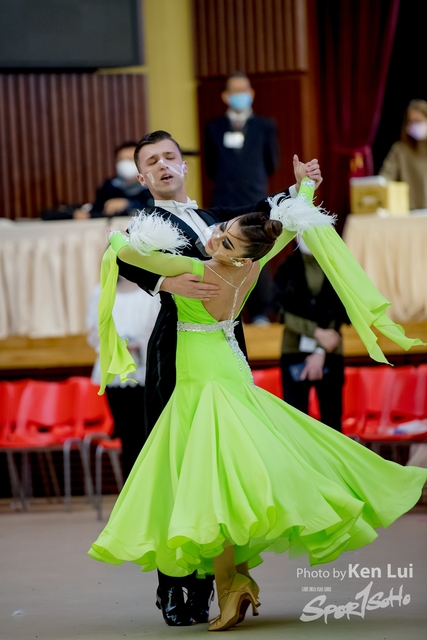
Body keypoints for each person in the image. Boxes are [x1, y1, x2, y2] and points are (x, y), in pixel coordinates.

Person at [88, 175, 427, 633]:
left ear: (240, 256)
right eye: (220, 229)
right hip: (230, 372)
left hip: (203, 382)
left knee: (214, 487)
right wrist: (303, 191)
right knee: (233, 481)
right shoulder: (253, 265)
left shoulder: (195, 271)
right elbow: (284, 229)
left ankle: (231, 585)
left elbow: (126, 252)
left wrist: (121, 238)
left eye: (225, 241)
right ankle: (237, 580)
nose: (214, 237)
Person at [104, 129, 323, 626]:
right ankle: (175, 586)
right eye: (152, 161)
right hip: (176, 353)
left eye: (170, 157)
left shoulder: (211, 218)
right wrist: (163, 280)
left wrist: (297, 188)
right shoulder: (145, 220)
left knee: (220, 466)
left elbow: (260, 218)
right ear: (142, 177)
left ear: (184, 165)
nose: (163, 165)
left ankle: (215, 581)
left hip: (224, 348)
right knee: (178, 465)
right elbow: (124, 256)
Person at [204, 71, 281, 323]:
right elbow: (210, 167)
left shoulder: (265, 125)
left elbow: (272, 162)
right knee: (224, 252)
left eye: (244, 90)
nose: (241, 95)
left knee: (257, 252)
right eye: (235, 91)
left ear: (252, 94)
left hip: (254, 198)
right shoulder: (214, 127)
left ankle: (261, 311)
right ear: (226, 96)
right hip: (224, 200)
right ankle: (226, 310)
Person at [273, 236, 350, 431]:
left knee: (332, 422)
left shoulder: (337, 268)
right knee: (296, 422)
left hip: (330, 350)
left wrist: (320, 350)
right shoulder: (286, 268)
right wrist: (315, 332)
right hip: (294, 350)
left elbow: (341, 311)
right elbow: (283, 312)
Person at [86, 276, 160, 478]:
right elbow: (95, 332)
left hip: (145, 371)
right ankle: (131, 488)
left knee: (149, 433)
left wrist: (139, 344)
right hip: (115, 373)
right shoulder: (101, 292)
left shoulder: (152, 291)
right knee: (127, 435)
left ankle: (152, 485)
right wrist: (115, 344)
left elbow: (159, 329)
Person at [74, 141, 154, 219]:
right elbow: (97, 210)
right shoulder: (109, 187)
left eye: (131, 159)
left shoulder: (153, 186)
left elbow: (155, 209)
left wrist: (129, 204)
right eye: (122, 160)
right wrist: (86, 214)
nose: (127, 164)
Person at [379, 99, 427, 210]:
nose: (414, 125)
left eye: (418, 121)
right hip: (410, 210)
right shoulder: (400, 150)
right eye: (411, 121)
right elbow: (387, 175)